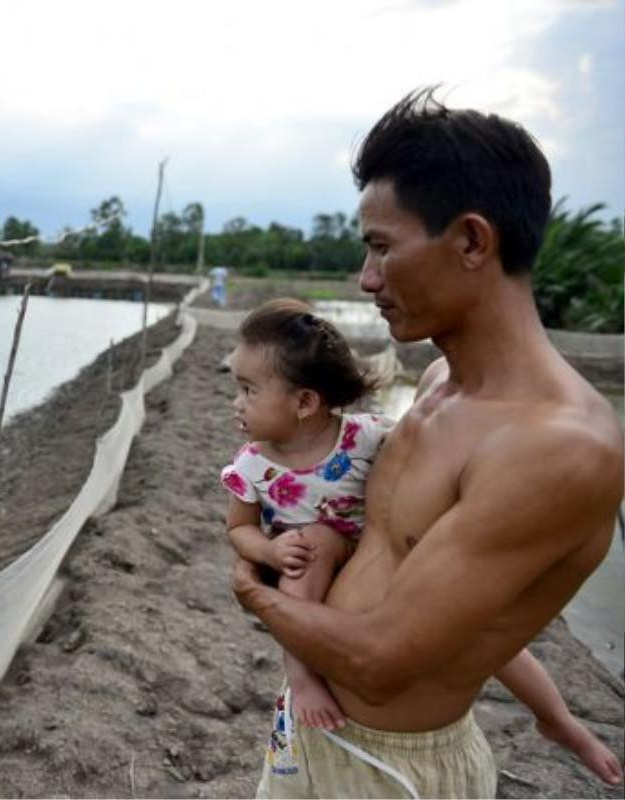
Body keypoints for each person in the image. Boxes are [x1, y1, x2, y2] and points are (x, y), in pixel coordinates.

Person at [230, 87, 625, 798]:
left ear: (472, 240)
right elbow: (412, 568)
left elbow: (381, 662)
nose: (367, 279)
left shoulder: (561, 446)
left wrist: (253, 593)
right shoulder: (440, 382)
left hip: (393, 768)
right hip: (310, 729)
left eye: (383, 247)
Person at [221, 297, 622, 787]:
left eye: (246, 390)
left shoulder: (364, 436)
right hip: (310, 557)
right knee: (310, 552)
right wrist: (266, 553)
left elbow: (412, 477)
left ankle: (559, 720)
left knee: (495, 639)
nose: (235, 403)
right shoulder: (251, 466)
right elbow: (238, 528)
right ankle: (303, 680)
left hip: (374, 551)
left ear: (305, 403)